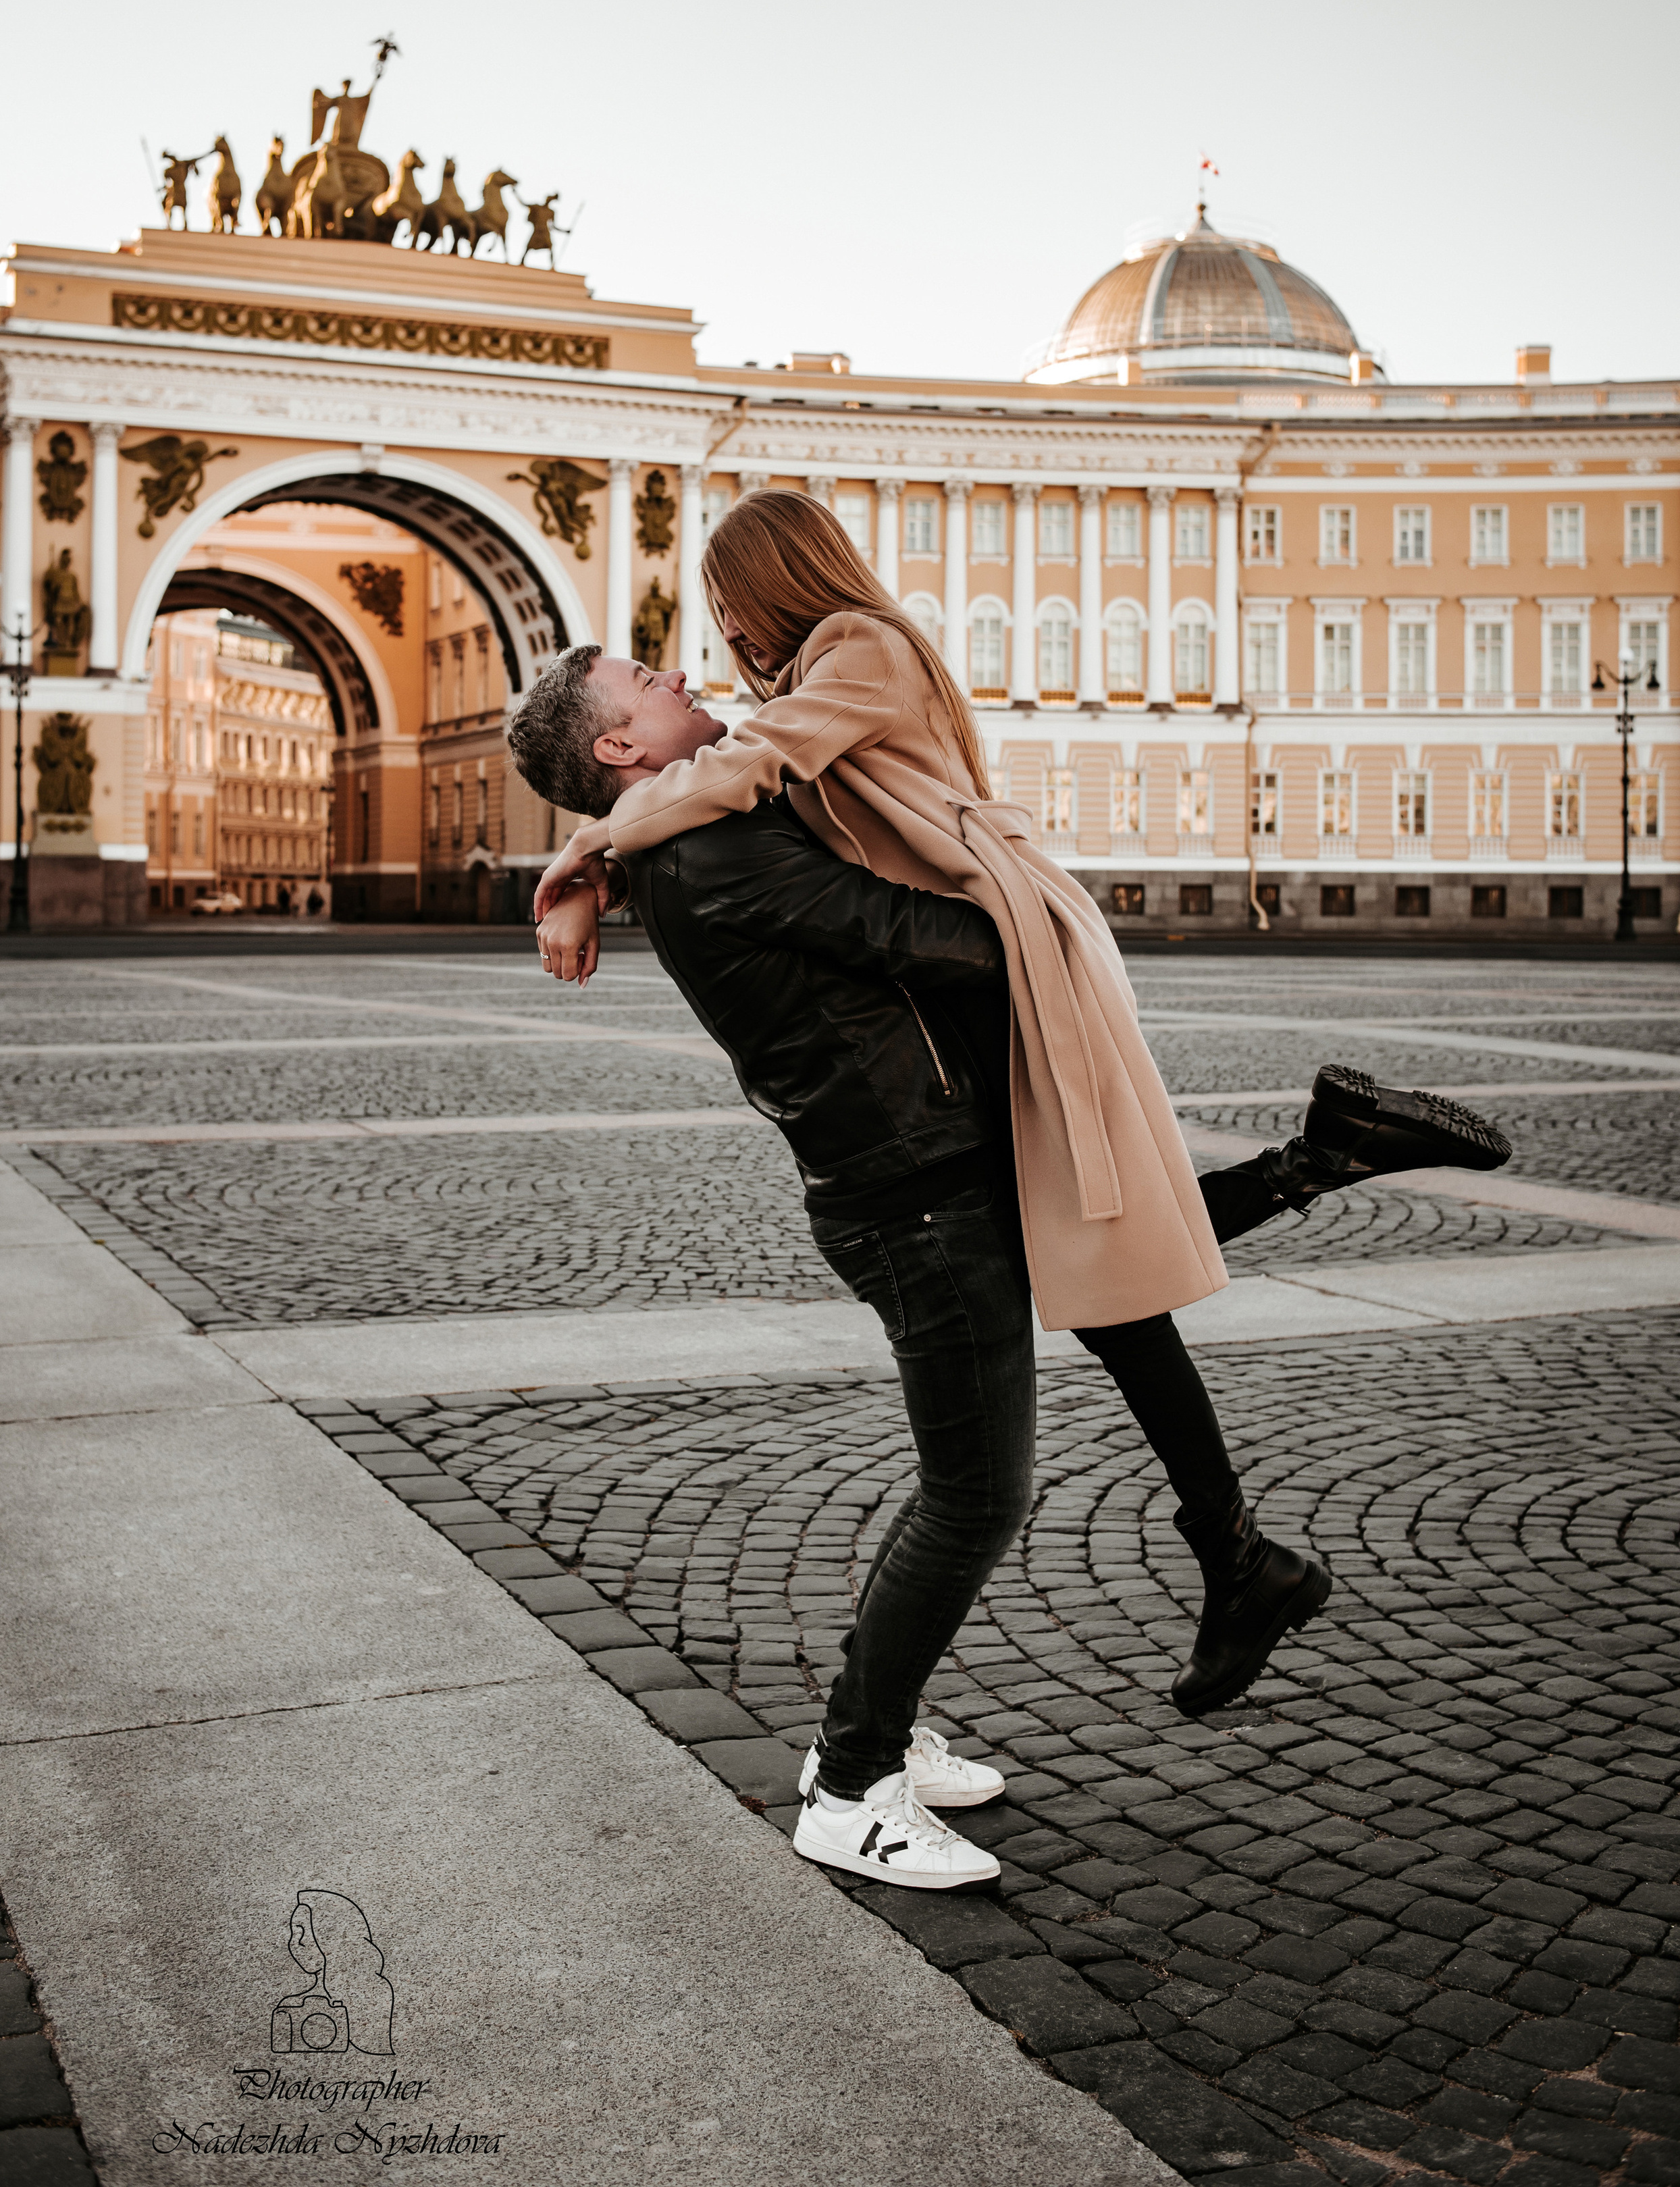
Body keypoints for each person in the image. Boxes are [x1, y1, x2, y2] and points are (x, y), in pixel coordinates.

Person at [509, 621, 1509, 1893]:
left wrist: (587, 862)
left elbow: (748, 810)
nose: (682, 678)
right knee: (976, 1493)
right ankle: (853, 1781)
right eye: (648, 684)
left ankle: (1320, 1164)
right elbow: (949, 943)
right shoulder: (716, 846)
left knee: (1112, 1273)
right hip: (912, 1192)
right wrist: (999, 866)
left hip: (927, 1160)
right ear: (617, 743)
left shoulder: (690, 831)